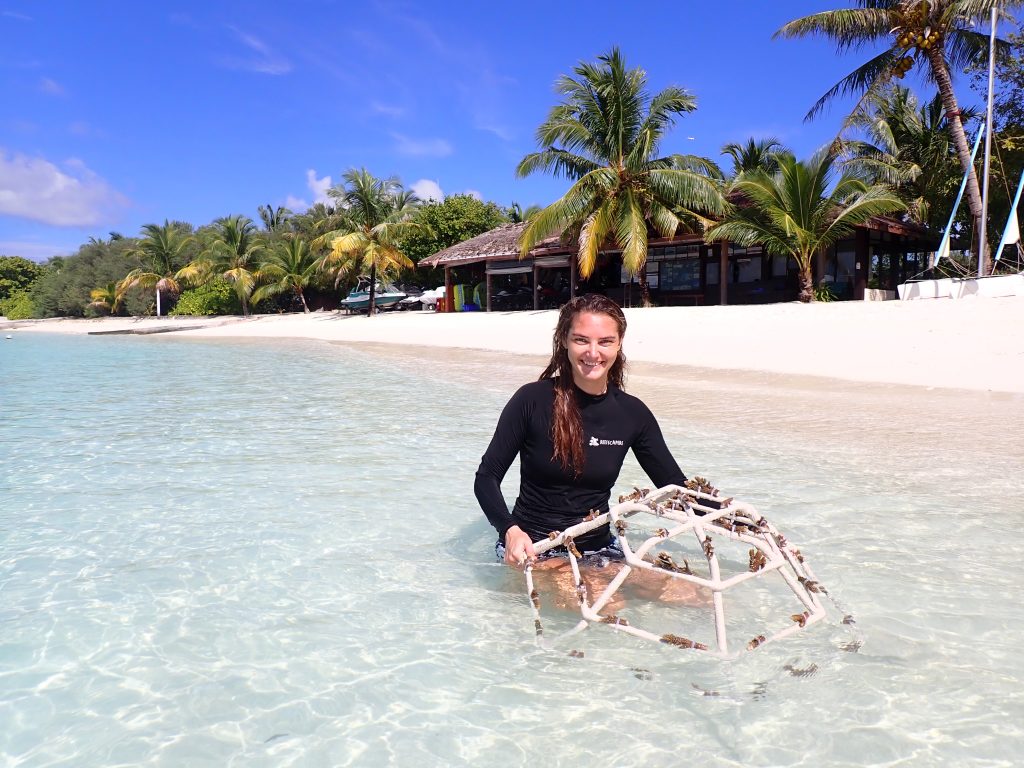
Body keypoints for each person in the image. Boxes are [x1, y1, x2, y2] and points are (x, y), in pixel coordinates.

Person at [474, 293, 689, 568]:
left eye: (605, 341)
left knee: (688, 593)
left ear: (619, 343)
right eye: (581, 340)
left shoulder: (633, 413)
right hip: (537, 546)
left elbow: (675, 486)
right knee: (608, 601)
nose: (593, 352)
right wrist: (510, 530)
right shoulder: (531, 400)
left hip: (600, 546)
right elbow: (487, 477)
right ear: (564, 340)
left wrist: (734, 518)